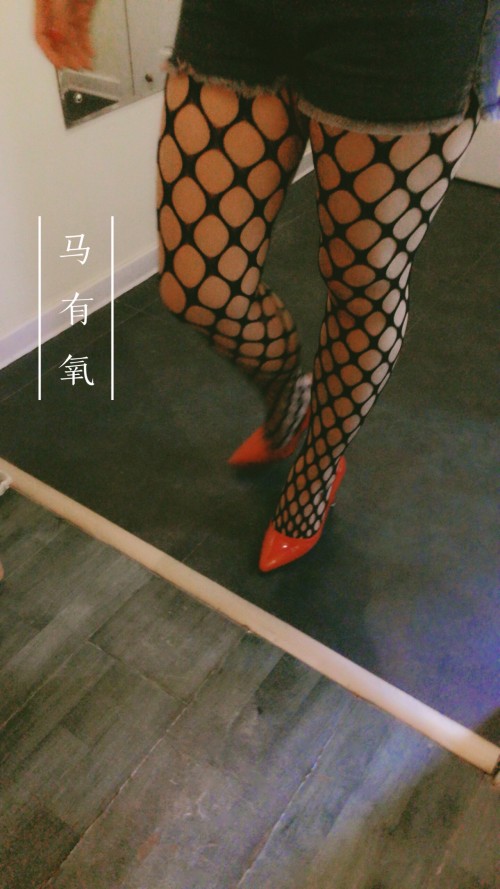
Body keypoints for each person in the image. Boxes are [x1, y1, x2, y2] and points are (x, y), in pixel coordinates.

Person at [35, 0, 499, 571]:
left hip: (411, 25)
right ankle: (289, 397)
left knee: (364, 284)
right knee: (198, 286)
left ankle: (318, 469)